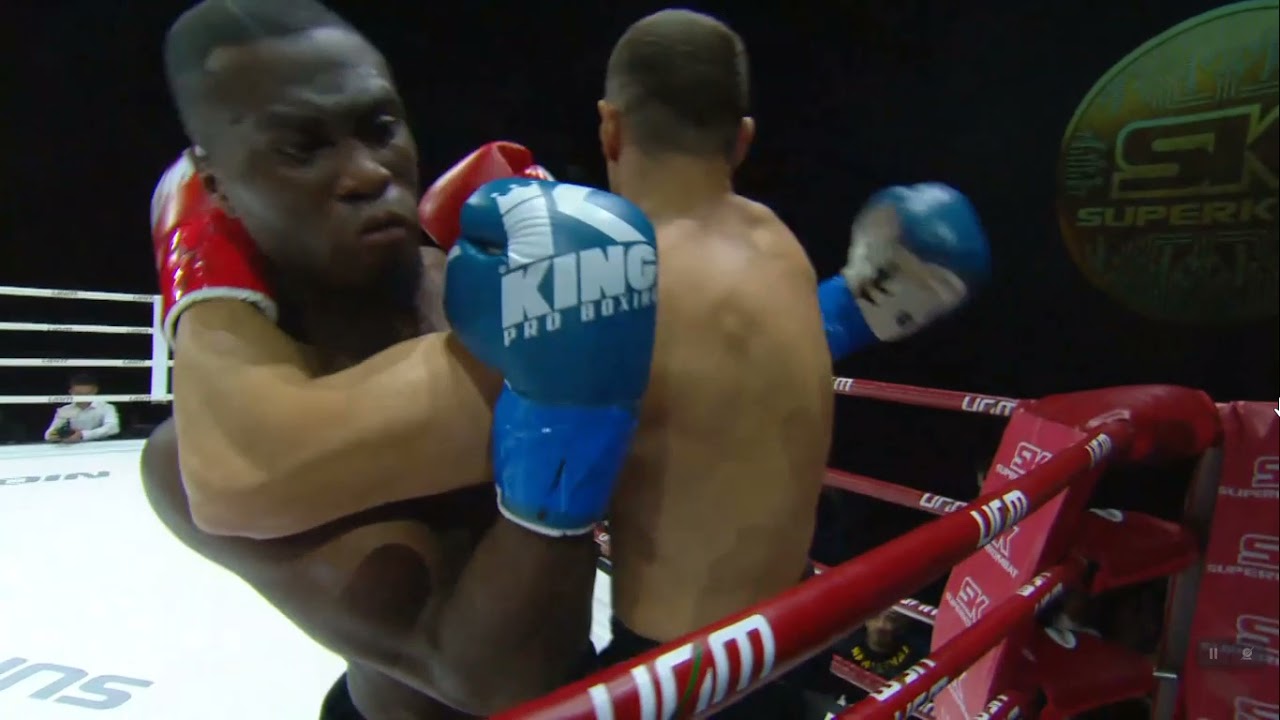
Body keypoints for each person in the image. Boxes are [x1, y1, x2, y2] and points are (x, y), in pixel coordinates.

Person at [142, 1, 657, 718]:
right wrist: (568, 419)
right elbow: (493, 677)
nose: (365, 173)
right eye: (302, 148)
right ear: (216, 182)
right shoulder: (207, 455)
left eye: (380, 128)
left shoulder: (477, 286)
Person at [587, 10, 989, 717]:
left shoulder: (620, 277)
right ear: (743, 139)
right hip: (787, 641)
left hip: (677, 674)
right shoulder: (777, 244)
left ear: (610, 128)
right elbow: (741, 354)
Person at [44, 373, 120, 443]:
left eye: (87, 394)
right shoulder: (67, 410)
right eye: (79, 394)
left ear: (95, 390)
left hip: (101, 448)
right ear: (71, 392)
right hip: (73, 449)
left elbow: (113, 428)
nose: (83, 398)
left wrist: (82, 435)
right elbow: (49, 433)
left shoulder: (106, 407)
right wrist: (55, 436)